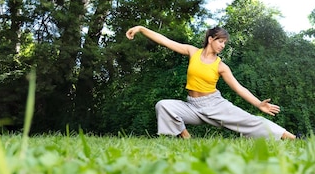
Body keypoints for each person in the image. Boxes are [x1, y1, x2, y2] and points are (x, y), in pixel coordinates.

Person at [125, 25, 297, 140]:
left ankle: (292, 138)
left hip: (215, 105)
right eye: (220, 41)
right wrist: (141, 28)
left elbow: (239, 88)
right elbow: (166, 41)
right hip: (193, 106)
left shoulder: (221, 66)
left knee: (251, 121)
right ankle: (186, 138)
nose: (223, 45)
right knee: (163, 105)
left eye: (224, 43)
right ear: (210, 39)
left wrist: (259, 104)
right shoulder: (192, 52)